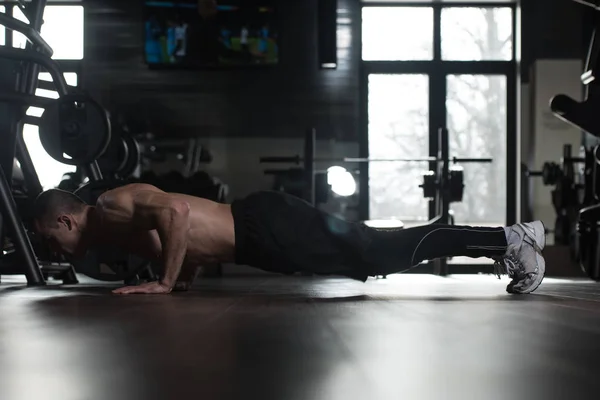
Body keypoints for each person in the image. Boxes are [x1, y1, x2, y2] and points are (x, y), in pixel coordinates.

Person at [32, 184, 546, 295]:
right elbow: (180, 233)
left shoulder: (109, 206)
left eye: (50, 240)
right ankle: (507, 240)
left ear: (66, 222)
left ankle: (510, 238)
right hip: (260, 239)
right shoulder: (114, 230)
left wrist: (165, 283)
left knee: (377, 253)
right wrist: (182, 275)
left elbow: (179, 210)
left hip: (264, 226)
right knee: (375, 253)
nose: (53, 251)